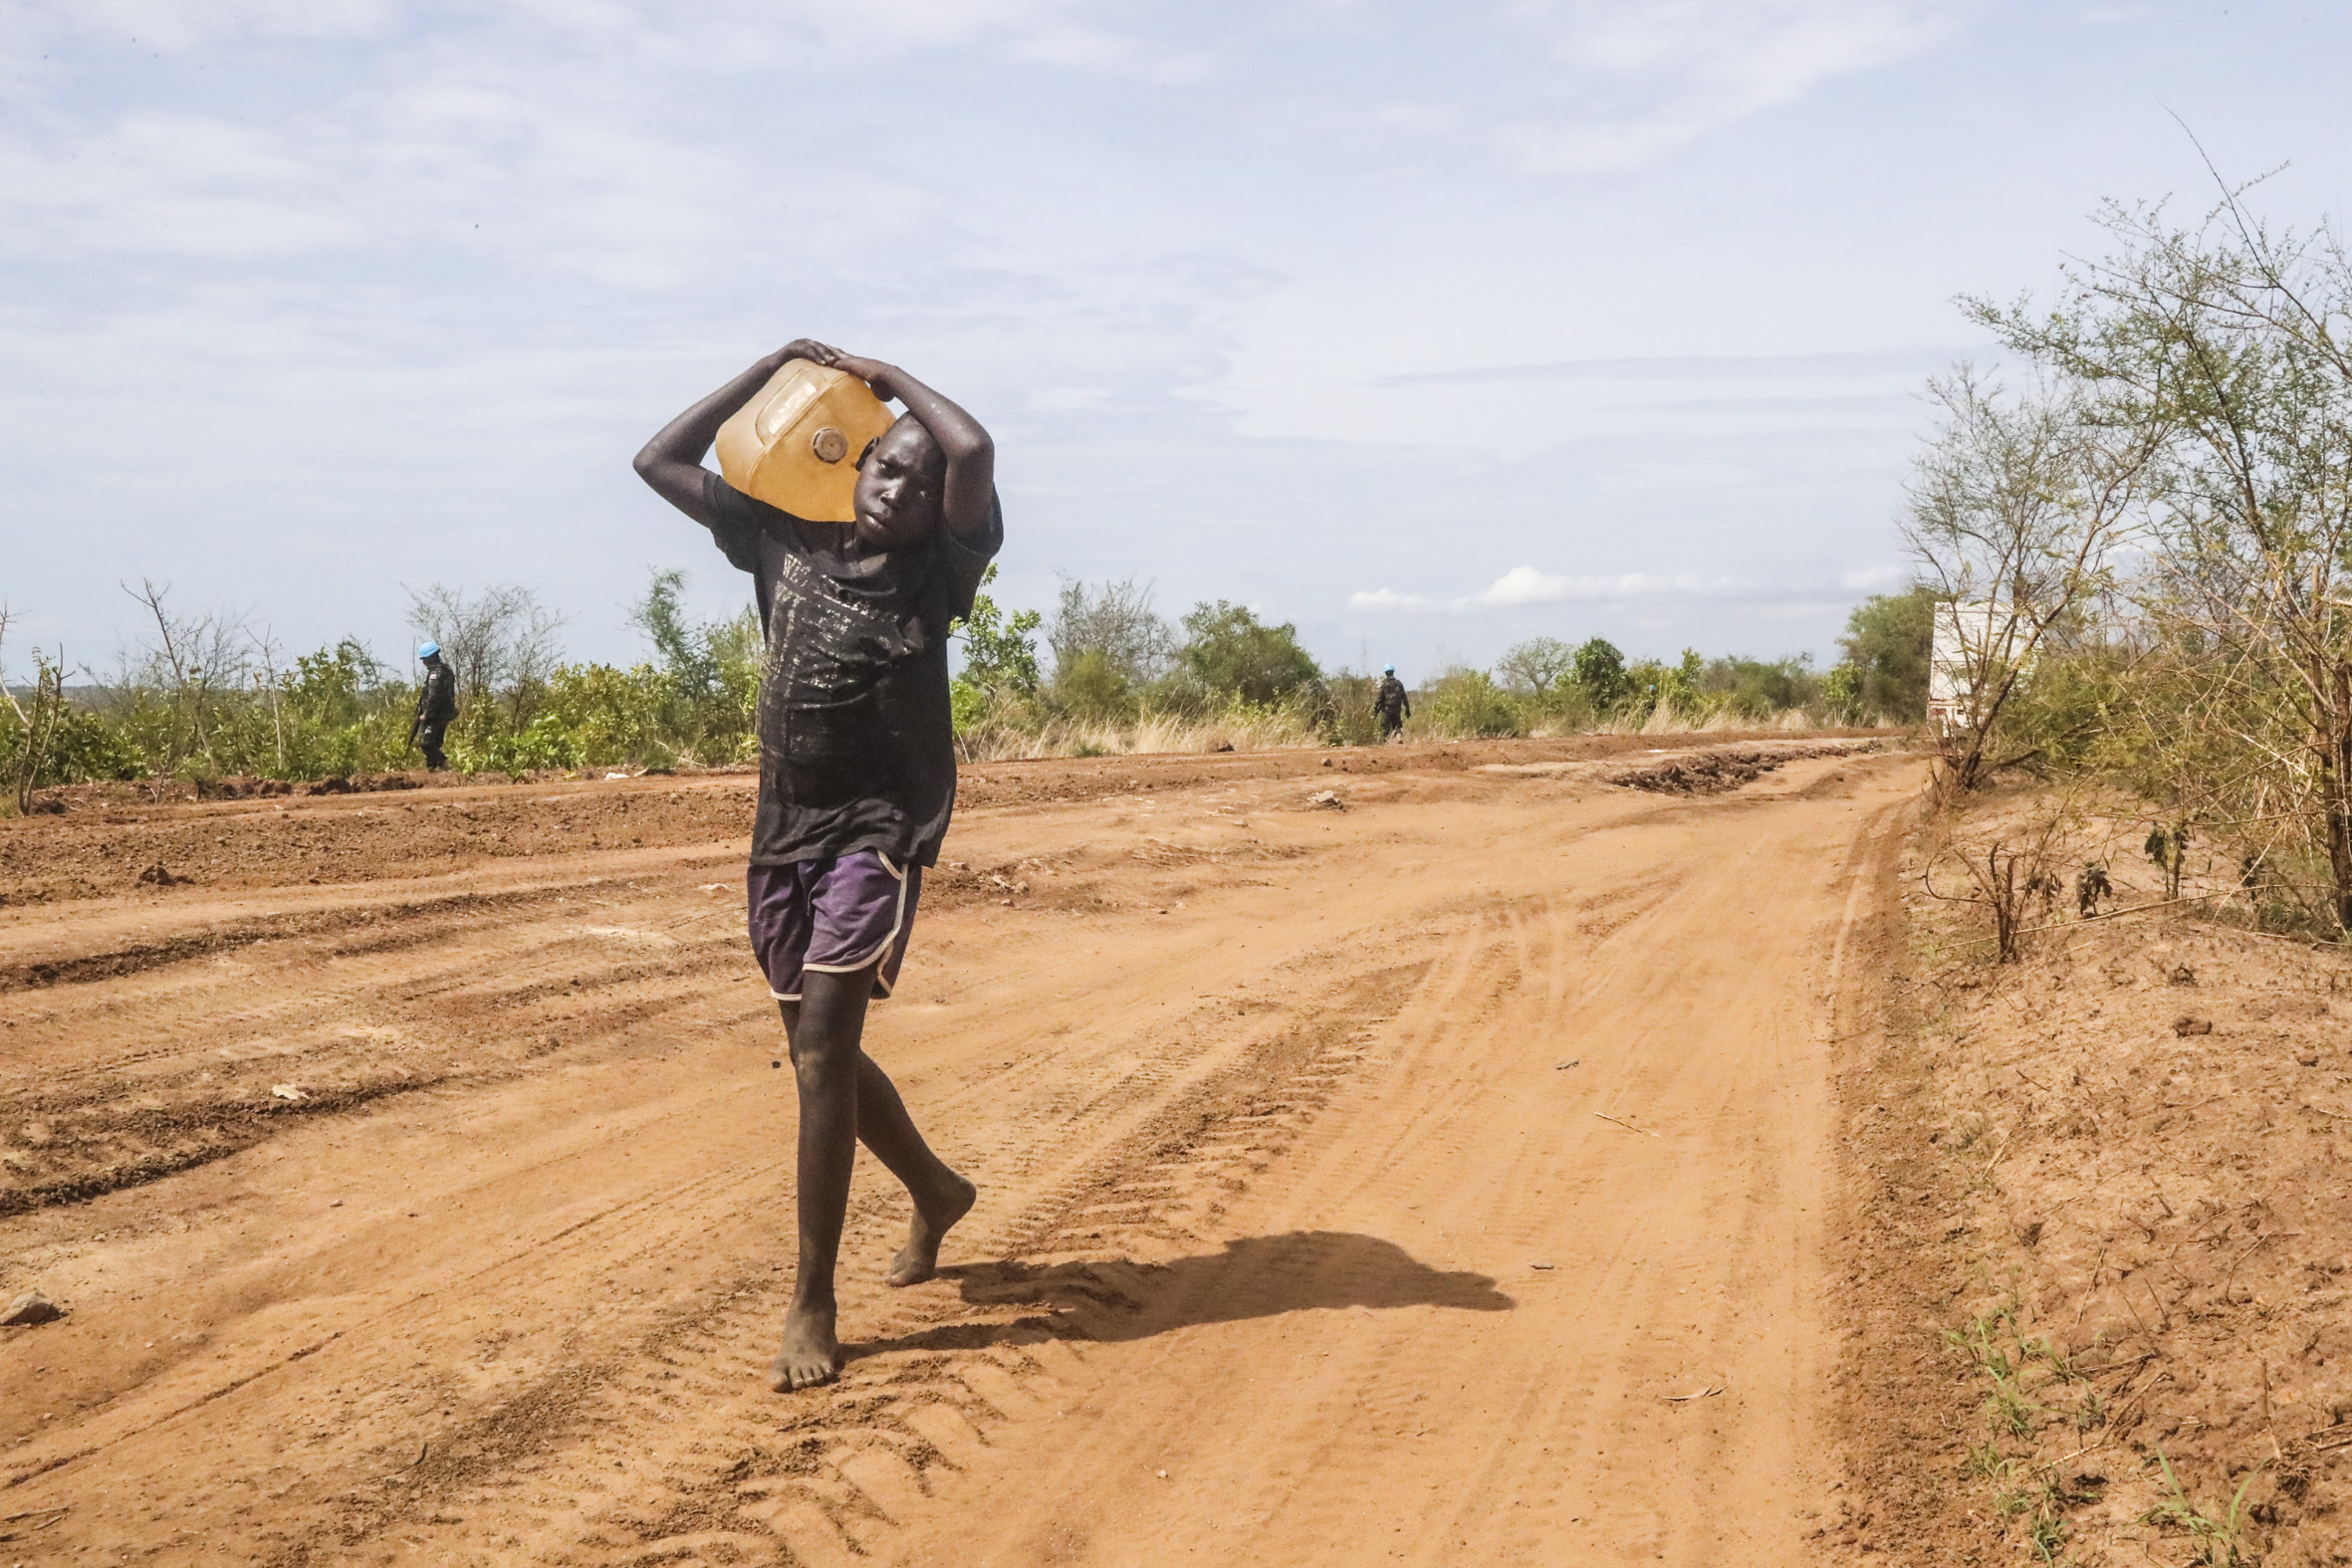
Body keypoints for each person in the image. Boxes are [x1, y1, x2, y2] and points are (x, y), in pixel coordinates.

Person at [632, 337, 996, 1393]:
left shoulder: (939, 569)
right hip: (783, 825)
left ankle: (812, 1300)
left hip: (881, 827)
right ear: (857, 462)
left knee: (827, 1046)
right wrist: (775, 367)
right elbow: (658, 461)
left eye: (920, 485)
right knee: (813, 1050)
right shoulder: (780, 534)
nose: (900, 491)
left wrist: (883, 377)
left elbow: (972, 448)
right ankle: (936, 1189)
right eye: (889, 467)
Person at [409, 643, 457, 770]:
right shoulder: (447, 671)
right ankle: (433, 768)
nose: (424, 663)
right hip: (444, 713)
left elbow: (433, 695)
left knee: (425, 741)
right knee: (435, 742)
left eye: (425, 659)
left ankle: (444, 763)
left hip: (434, 715)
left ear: (430, 658)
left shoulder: (435, 673)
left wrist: (427, 714)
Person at [1374, 664, 1411, 741]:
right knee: (1397, 724)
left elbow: (1380, 699)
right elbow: (1404, 697)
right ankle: (1398, 736)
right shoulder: (1399, 684)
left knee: (1385, 727)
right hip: (1397, 709)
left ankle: (1385, 741)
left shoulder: (1384, 684)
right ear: (1393, 672)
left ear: (1385, 673)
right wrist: (1407, 709)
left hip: (1386, 709)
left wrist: (1376, 710)